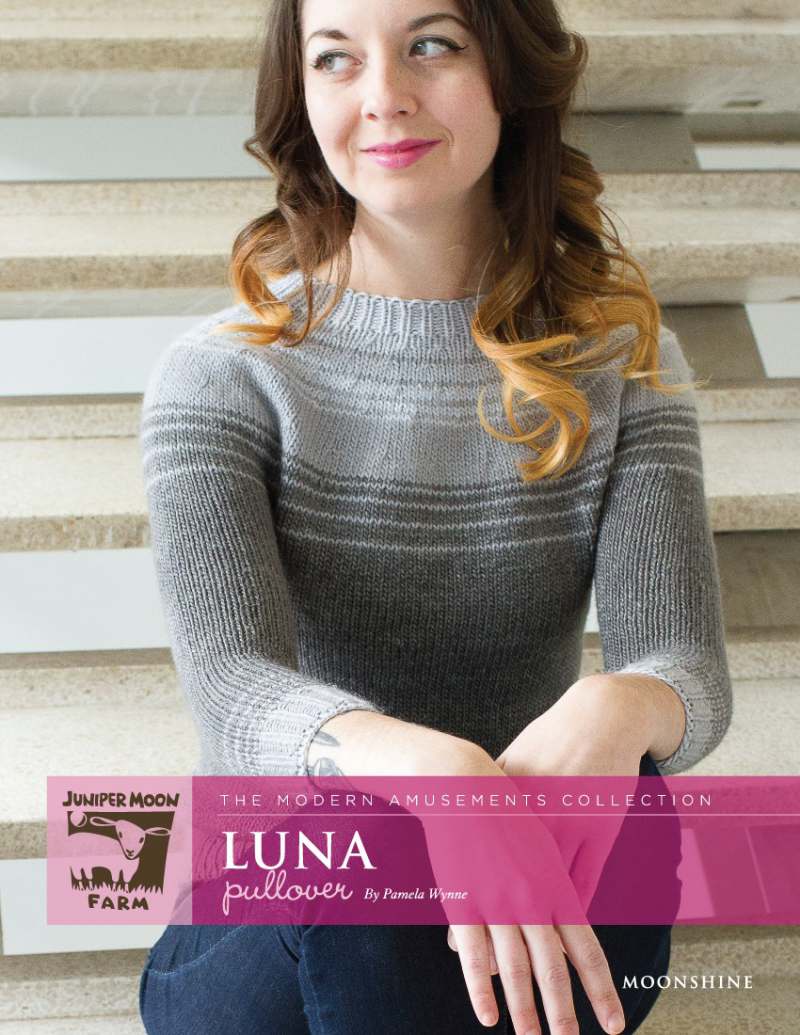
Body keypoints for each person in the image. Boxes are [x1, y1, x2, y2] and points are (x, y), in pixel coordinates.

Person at [137, 0, 733, 1032]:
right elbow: (232, 691)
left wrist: (618, 703)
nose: (384, 97)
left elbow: (685, 666)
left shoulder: (619, 364)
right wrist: (432, 769)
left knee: (632, 791)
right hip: (273, 914)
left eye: (431, 45)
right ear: (302, 99)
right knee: (375, 838)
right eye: (336, 60)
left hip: (526, 870)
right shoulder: (223, 376)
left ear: (509, 72)